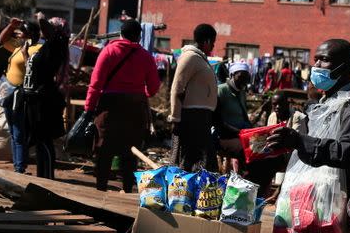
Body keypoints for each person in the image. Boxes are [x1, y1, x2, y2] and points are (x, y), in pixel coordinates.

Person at [265, 39, 350, 233]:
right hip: (306, 203)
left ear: (344, 67)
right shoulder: (317, 109)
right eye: (316, 59)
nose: (317, 66)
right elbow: (305, 154)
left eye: (324, 60)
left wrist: (299, 141)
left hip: (336, 210)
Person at [84, 19, 160, 192]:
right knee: (130, 150)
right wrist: (141, 95)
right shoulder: (146, 57)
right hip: (135, 108)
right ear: (139, 37)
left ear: (120, 34)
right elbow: (154, 87)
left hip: (109, 108)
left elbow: (95, 84)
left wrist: (89, 108)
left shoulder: (108, 51)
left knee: (105, 148)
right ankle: (127, 189)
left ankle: (100, 188)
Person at [20, 16, 70, 179]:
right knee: (39, 140)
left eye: (50, 27)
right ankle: (43, 176)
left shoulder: (56, 46)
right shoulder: (48, 45)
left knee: (44, 139)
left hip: (44, 101)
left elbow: (43, 24)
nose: (44, 30)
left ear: (56, 31)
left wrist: (41, 18)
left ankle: (47, 177)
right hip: (35, 100)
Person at [169, 24, 218, 172]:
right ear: (207, 41)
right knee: (188, 159)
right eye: (213, 42)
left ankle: (193, 192)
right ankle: (182, 191)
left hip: (202, 117)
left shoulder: (200, 58)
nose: (213, 46)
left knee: (201, 161)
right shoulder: (190, 57)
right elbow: (177, 87)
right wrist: (175, 118)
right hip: (192, 117)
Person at [0, 19, 42, 173]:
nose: (19, 35)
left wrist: (25, 54)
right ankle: (18, 165)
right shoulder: (19, 46)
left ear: (30, 35)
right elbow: (2, 40)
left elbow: (34, 69)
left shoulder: (37, 48)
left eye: (22, 32)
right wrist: (11, 25)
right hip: (8, 92)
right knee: (13, 131)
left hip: (20, 95)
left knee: (19, 131)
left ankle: (20, 167)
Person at [214, 62, 255, 160]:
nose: (244, 80)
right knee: (247, 149)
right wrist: (239, 132)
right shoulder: (221, 90)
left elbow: (244, 116)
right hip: (225, 136)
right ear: (232, 75)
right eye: (241, 76)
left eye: (246, 77)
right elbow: (217, 121)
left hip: (242, 134)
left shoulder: (241, 92)